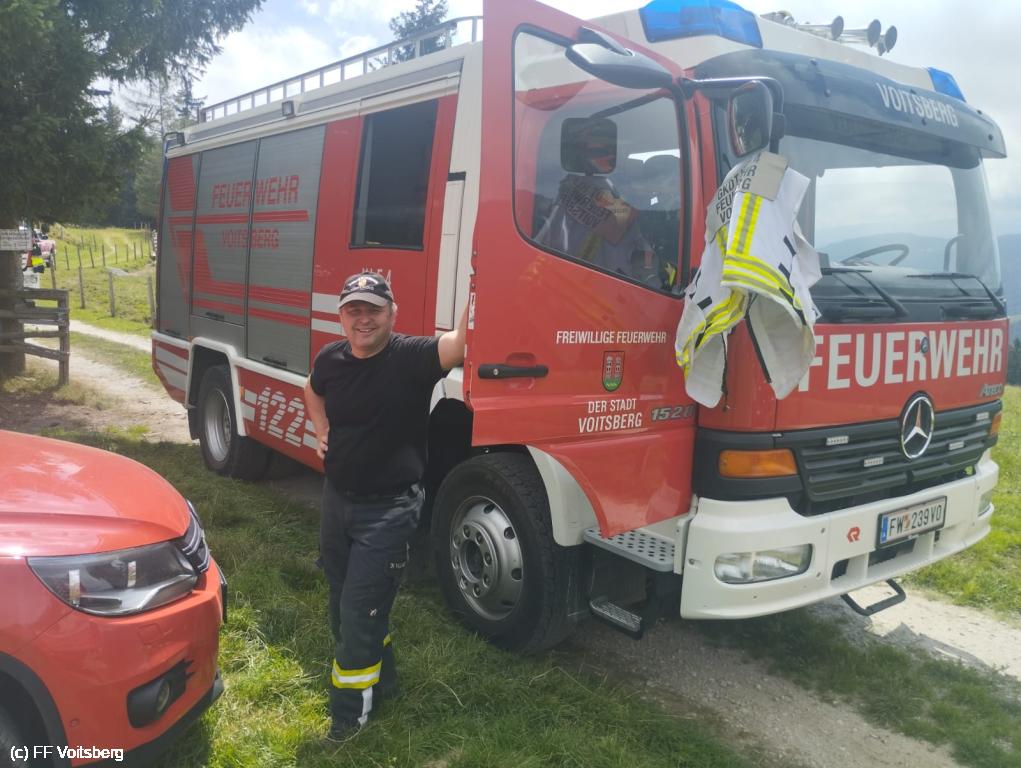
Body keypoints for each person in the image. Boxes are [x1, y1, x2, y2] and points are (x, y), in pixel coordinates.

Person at [303, 271, 468, 741]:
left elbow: (460, 344)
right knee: (345, 605)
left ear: (392, 314)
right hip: (337, 501)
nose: (363, 319)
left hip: (389, 510)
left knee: (358, 612)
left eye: (373, 310)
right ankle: (386, 681)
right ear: (341, 317)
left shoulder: (412, 357)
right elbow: (312, 389)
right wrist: (320, 429)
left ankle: (348, 720)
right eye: (353, 310)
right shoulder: (331, 359)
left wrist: (482, 279)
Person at [535, 117, 654, 280]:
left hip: (574, 278)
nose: (608, 157)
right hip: (603, 281)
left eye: (608, 151)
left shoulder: (567, 190)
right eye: (597, 153)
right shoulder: (609, 193)